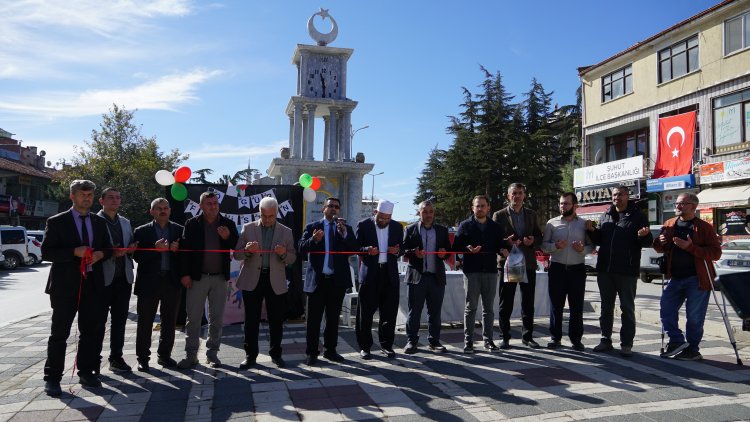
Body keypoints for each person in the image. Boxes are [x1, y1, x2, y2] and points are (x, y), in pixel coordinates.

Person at [41, 180, 112, 396]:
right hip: (64, 286)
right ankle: (52, 378)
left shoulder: (99, 222)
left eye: (90, 195)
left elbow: (108, 248)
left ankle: (86, 372)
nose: (87, 198)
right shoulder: (57, 221)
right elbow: (47, 252)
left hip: (92, 285)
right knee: (59, 333)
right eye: (83, 194)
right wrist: (73, 252)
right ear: (72, 196)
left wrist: (100, 254)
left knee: (90, 332)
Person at [654, 193, 721, 361]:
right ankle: (676, 341)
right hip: (675, 277)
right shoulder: (670, 224)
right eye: (677, 203)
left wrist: (690, 247)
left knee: (694, 317)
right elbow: (660, 248)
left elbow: (715, 253)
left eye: (682, 204)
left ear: (693, 206)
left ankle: (692, 350)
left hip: (697, 278)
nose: (678, 206)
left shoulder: (704, 227)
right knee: (666, 308)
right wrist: (660, 241)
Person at [587, 185, 652, 357]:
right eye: (615, 195)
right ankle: (605, 339)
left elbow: (647, 242)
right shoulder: (606, 215)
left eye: (621, 195)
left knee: (627, 308)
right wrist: (592, 231)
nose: (617, 198)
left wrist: (643, 235)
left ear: (627, 196)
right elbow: (600, 240)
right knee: (606, 307)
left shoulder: (638, 216)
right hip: (605, 270)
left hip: (626, 271)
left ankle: (626, 343)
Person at [178, 191, 239, 369]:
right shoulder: (192, 224)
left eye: (215, 203)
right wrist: (185, 274)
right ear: (201, 206)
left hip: (220, 278)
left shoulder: (228, 223)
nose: (213, 206)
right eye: (209, 203)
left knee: (217, 319)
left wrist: (228, 237)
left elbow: (237, 246)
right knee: (193, 319)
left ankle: (212, 355)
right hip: (197, 278)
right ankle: (191, 356)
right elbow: (184, 252)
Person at [234, 197, 296, 368]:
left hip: (275, 280)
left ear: (277, 213)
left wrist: (284, 253)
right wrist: (247, 250)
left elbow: (292, 258)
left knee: (276, 320)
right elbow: (237, 254)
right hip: (252, 279)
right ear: (259, 212)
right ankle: (250, 356)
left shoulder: (286, 232)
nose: (267, 219)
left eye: (271, 216)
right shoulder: (248, 228)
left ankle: (276, 354)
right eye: (264, 215)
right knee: (251, 320)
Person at [298, 197, 356, 365]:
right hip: (317, 281)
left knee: (333, 319)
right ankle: (312, 353)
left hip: (336, 282)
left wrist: (344, 234)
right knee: (313, 320)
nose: (333, 209)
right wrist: (314, 240)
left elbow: (354, 248)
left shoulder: (345, 228)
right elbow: (301, 248)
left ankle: (331, 351)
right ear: (323, 209)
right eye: (330, 206)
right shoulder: (313, 227)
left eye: (336, 207)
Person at [133, 198, 184, 372]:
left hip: (171, 281)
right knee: (145, 322)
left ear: (170, 211)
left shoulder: (179, 230)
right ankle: (143, 358)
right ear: (151, 211)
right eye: (159, 208)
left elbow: (185, 257)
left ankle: (164, 355)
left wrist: (177, 251)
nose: (163, 211)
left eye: (165, 208)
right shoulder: (141, 231)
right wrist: (155, 250)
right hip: (148, 283)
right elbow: (137, 257)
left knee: (169, 322)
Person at [453, 195, 507, 354]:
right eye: (477, 206)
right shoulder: (464, 225)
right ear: (472, 208)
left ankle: (488, 340)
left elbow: (500, 246)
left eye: (483, 206)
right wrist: (467, 248)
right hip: (471, 272)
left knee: (488, 309)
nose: (480, 208)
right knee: (470, 308)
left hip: (490, 271)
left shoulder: (495, 227)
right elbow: (455, 247)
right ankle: (468, 341)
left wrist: (504, 249)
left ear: (488, 207)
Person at [493, 183, 543, 349]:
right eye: (514, 193)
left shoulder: (532, 214)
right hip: (509, 263)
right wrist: (505, 243)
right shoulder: (499, 215)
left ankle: (527, 337)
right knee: (505, 303)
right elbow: (494, 240)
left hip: (527, 263)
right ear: (508, 196)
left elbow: (539, 236)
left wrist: (533, 241)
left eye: (520, 193)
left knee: (528, 303)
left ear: (524, 195)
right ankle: (505, 337)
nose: (517, 196)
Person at [541, 192, 592, 351]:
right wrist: (555, 246)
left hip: (577, 269)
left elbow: (592, 246)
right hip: (557, 268)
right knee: (556, 305)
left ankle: (576, 339)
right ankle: (555, 338)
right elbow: (544, 246)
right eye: (561, 203)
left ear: (575, 206)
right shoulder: (551, 223)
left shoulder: (584, 224)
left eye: (566, 203)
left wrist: (583, 250)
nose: (562, 206)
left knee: (576, 306)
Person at [355, 199, 404, 359]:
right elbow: (356, 247)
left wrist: (396, 251)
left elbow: (402, 249)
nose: (384, 221)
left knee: (389, 313)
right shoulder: (363, 225)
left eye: (387, 218)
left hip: (389, 275)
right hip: (370, 274)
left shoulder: (397, 227)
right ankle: (365, 347)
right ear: (375, 212)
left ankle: (387, 345)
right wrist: (367, 250)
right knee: (366, 314)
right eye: (381, 217)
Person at [95, 187, 137, 373]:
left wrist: (131, 249)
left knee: (119, 322)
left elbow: (130, 247)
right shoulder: (94, 221)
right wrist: (111, 253)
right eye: (110, 197)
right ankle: (94, 360)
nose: (114, 200)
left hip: (123, 278)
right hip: (102, 279)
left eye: (118, 197)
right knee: (98, 322)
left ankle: (116, 358)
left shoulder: (125, 222)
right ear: (101, 201)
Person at [402, 200, 452, 354]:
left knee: (435, 312)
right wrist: (414, 253)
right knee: (414, 311)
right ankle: (411, 341)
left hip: (436, 277)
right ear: (419, 213)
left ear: (434, 213)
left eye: (431, 212)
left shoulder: (442, 230)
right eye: (425, 212)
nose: (428, 215)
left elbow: (448, 251)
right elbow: (403, 250)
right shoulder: (410, 229)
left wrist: (444, 254)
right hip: (417, 277)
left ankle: (434, 341)